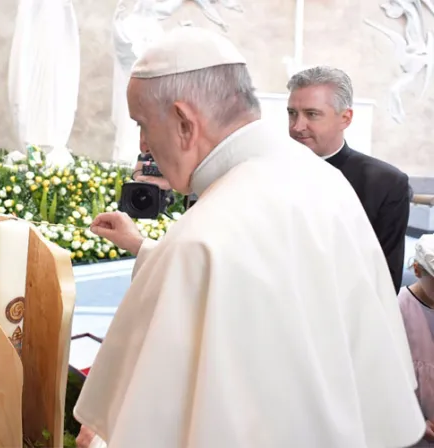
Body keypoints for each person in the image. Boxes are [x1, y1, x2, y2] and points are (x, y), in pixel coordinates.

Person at [72, 26, 426, 448]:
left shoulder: (200, 238)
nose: (145, 143)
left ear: (185, 121)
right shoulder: (321, 180)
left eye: (143, 125)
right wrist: (148, 249)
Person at [286, 66, 410, 293]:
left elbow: (384, 281)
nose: (297, 126)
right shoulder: (266, 173)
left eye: (312, 114)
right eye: (292, 113)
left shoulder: (386, 184)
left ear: (345, 118)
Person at [398, 234, 434, 446]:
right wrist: (417, 421)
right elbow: (391, 378)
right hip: (413, 423)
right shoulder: (400, 308)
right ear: (418, 271)